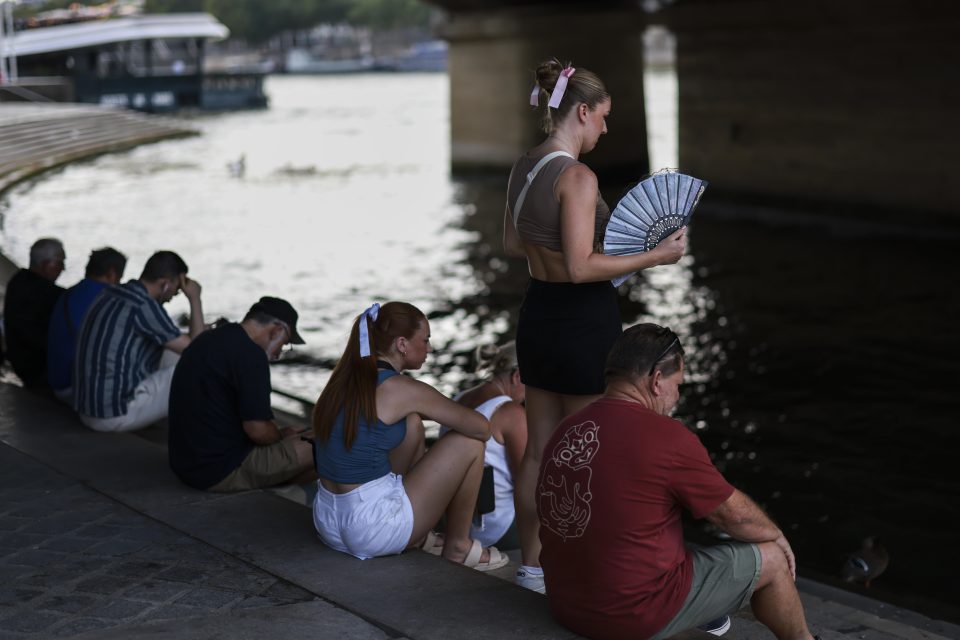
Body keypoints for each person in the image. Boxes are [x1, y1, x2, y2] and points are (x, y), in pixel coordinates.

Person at [503, 58, 688, 591]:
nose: (607, 128)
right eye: (603, 117)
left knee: (540, 450)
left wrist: (556, 260)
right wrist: (654, 257)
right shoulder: (578, 176)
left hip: (538, 314)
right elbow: (584, 268)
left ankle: (532, 568)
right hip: (583, 322)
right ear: (581, 112)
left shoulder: (524, 165)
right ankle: (599, 571)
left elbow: (514, 244)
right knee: (594, 450)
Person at [537, 324, 816, 640]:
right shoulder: (667, 437)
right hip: (627, 616)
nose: (677, 396)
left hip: (566, 603)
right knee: (772, 559)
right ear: (657, 381)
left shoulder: (567, 429)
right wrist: (776, 535)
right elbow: (734, 516)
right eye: (678, 384)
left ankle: (706, 611)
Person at [312, 301, 509, 571]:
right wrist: (432, 407)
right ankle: (459, 546)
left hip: (327, 521)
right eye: (425, 340)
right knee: (469, 443)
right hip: (372, 529)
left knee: (412, 423)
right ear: (402, 344)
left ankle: (419, 535)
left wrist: (420, 410)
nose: (429, 348)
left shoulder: (343, 380)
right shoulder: (403, 389)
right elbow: (481, 427)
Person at [168, 297, 316, 492]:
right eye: (285, 344)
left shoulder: (209, 338)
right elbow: (258, 430)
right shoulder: (252, 356)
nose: (279, 354)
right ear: (277, 330)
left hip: (186, 465)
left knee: (305, 438)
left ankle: (278, 487)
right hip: (217, 472)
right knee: (335, 443)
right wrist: (280, 436)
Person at [74, 250, 204, 432]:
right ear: (165, 284)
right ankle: (194, 437)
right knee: (195, 368)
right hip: (112, 415)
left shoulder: (112, 292)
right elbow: (199, 352)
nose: (175, 295)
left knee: (172, 355)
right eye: (176, 289)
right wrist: (195, 298)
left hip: (88, 408)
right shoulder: (144, 305)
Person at [442, 341, 526, 549]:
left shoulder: (459, 399)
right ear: (517, 376)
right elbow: (526, 481)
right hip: (497, 530)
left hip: (455, 526)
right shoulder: (510, 412)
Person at [46, 247, 127, 401]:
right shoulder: (107, 299)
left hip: (57, 383)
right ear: (112, 274)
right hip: (76, 388)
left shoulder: (68, 294)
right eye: (119, 278)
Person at [2, 238, 66, 388]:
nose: (63, 268)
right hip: (36, 369)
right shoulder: (46, 293)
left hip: (21, 362)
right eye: (60, 263)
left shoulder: (19, 280)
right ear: (45, 265)